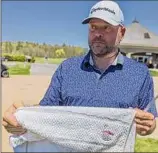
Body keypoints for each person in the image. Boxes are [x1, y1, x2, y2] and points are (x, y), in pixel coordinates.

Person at [3, 0, 157, 138]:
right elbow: (46, 112)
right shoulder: (67, 69)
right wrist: (21, 116)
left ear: (121, 33)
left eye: (106, 28)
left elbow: (149, 120)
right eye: (93, 27)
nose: (98, 34)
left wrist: (148, 126)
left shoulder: (140, 74)